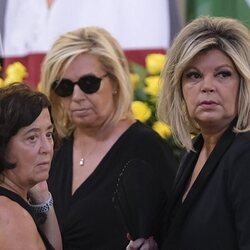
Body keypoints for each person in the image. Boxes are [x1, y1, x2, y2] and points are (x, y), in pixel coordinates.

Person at [39, 26, 178, 249]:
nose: (76, 97)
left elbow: (177, 231)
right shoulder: (54, 148)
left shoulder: (146, 147)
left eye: (88, 84)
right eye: (64, 87)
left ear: (114, 82)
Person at [127, 16, 250, 250]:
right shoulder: (195, 150)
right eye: (194, 75)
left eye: (223, 74)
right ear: (179, 88)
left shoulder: (245, 154)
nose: (207, 86)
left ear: (244, 83)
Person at [0, 83, 62, 250]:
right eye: (32, 138)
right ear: (4, 145)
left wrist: (43, 198)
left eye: (48, 134)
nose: (47, 148)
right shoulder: (11, 217)